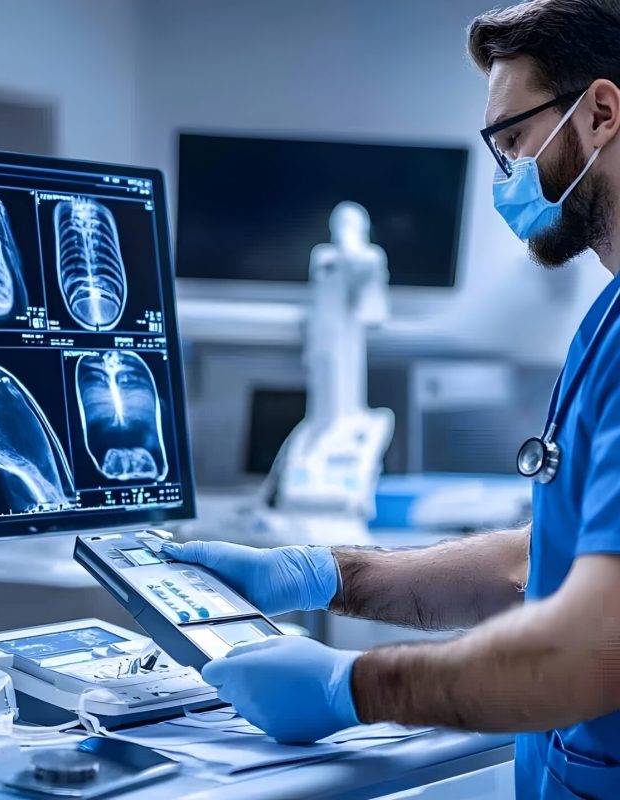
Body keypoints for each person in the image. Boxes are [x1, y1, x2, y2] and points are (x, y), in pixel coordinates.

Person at [161, 2, 620, 798]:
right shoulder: (607, 320)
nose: (507, 176)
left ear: (602, 112)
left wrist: (357, 688)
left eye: (513, 142)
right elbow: (532, 562)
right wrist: (323, 575)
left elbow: (594, 643)